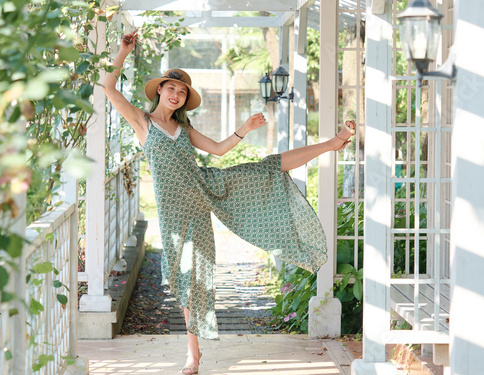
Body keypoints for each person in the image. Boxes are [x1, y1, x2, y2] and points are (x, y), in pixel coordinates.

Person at [102, 30, 355, 375]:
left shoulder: (184, 129)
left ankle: (332, 143)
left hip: (208, 189)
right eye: (171, 88)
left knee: (266, 168)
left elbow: (219, 150)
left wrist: (245, 128)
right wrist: (122, 51)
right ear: (159, 89)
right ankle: (194, 351)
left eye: (182, 92)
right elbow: (108, 88)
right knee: (186, 277)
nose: (176, 95)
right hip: (176, 211)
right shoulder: (143, 123)